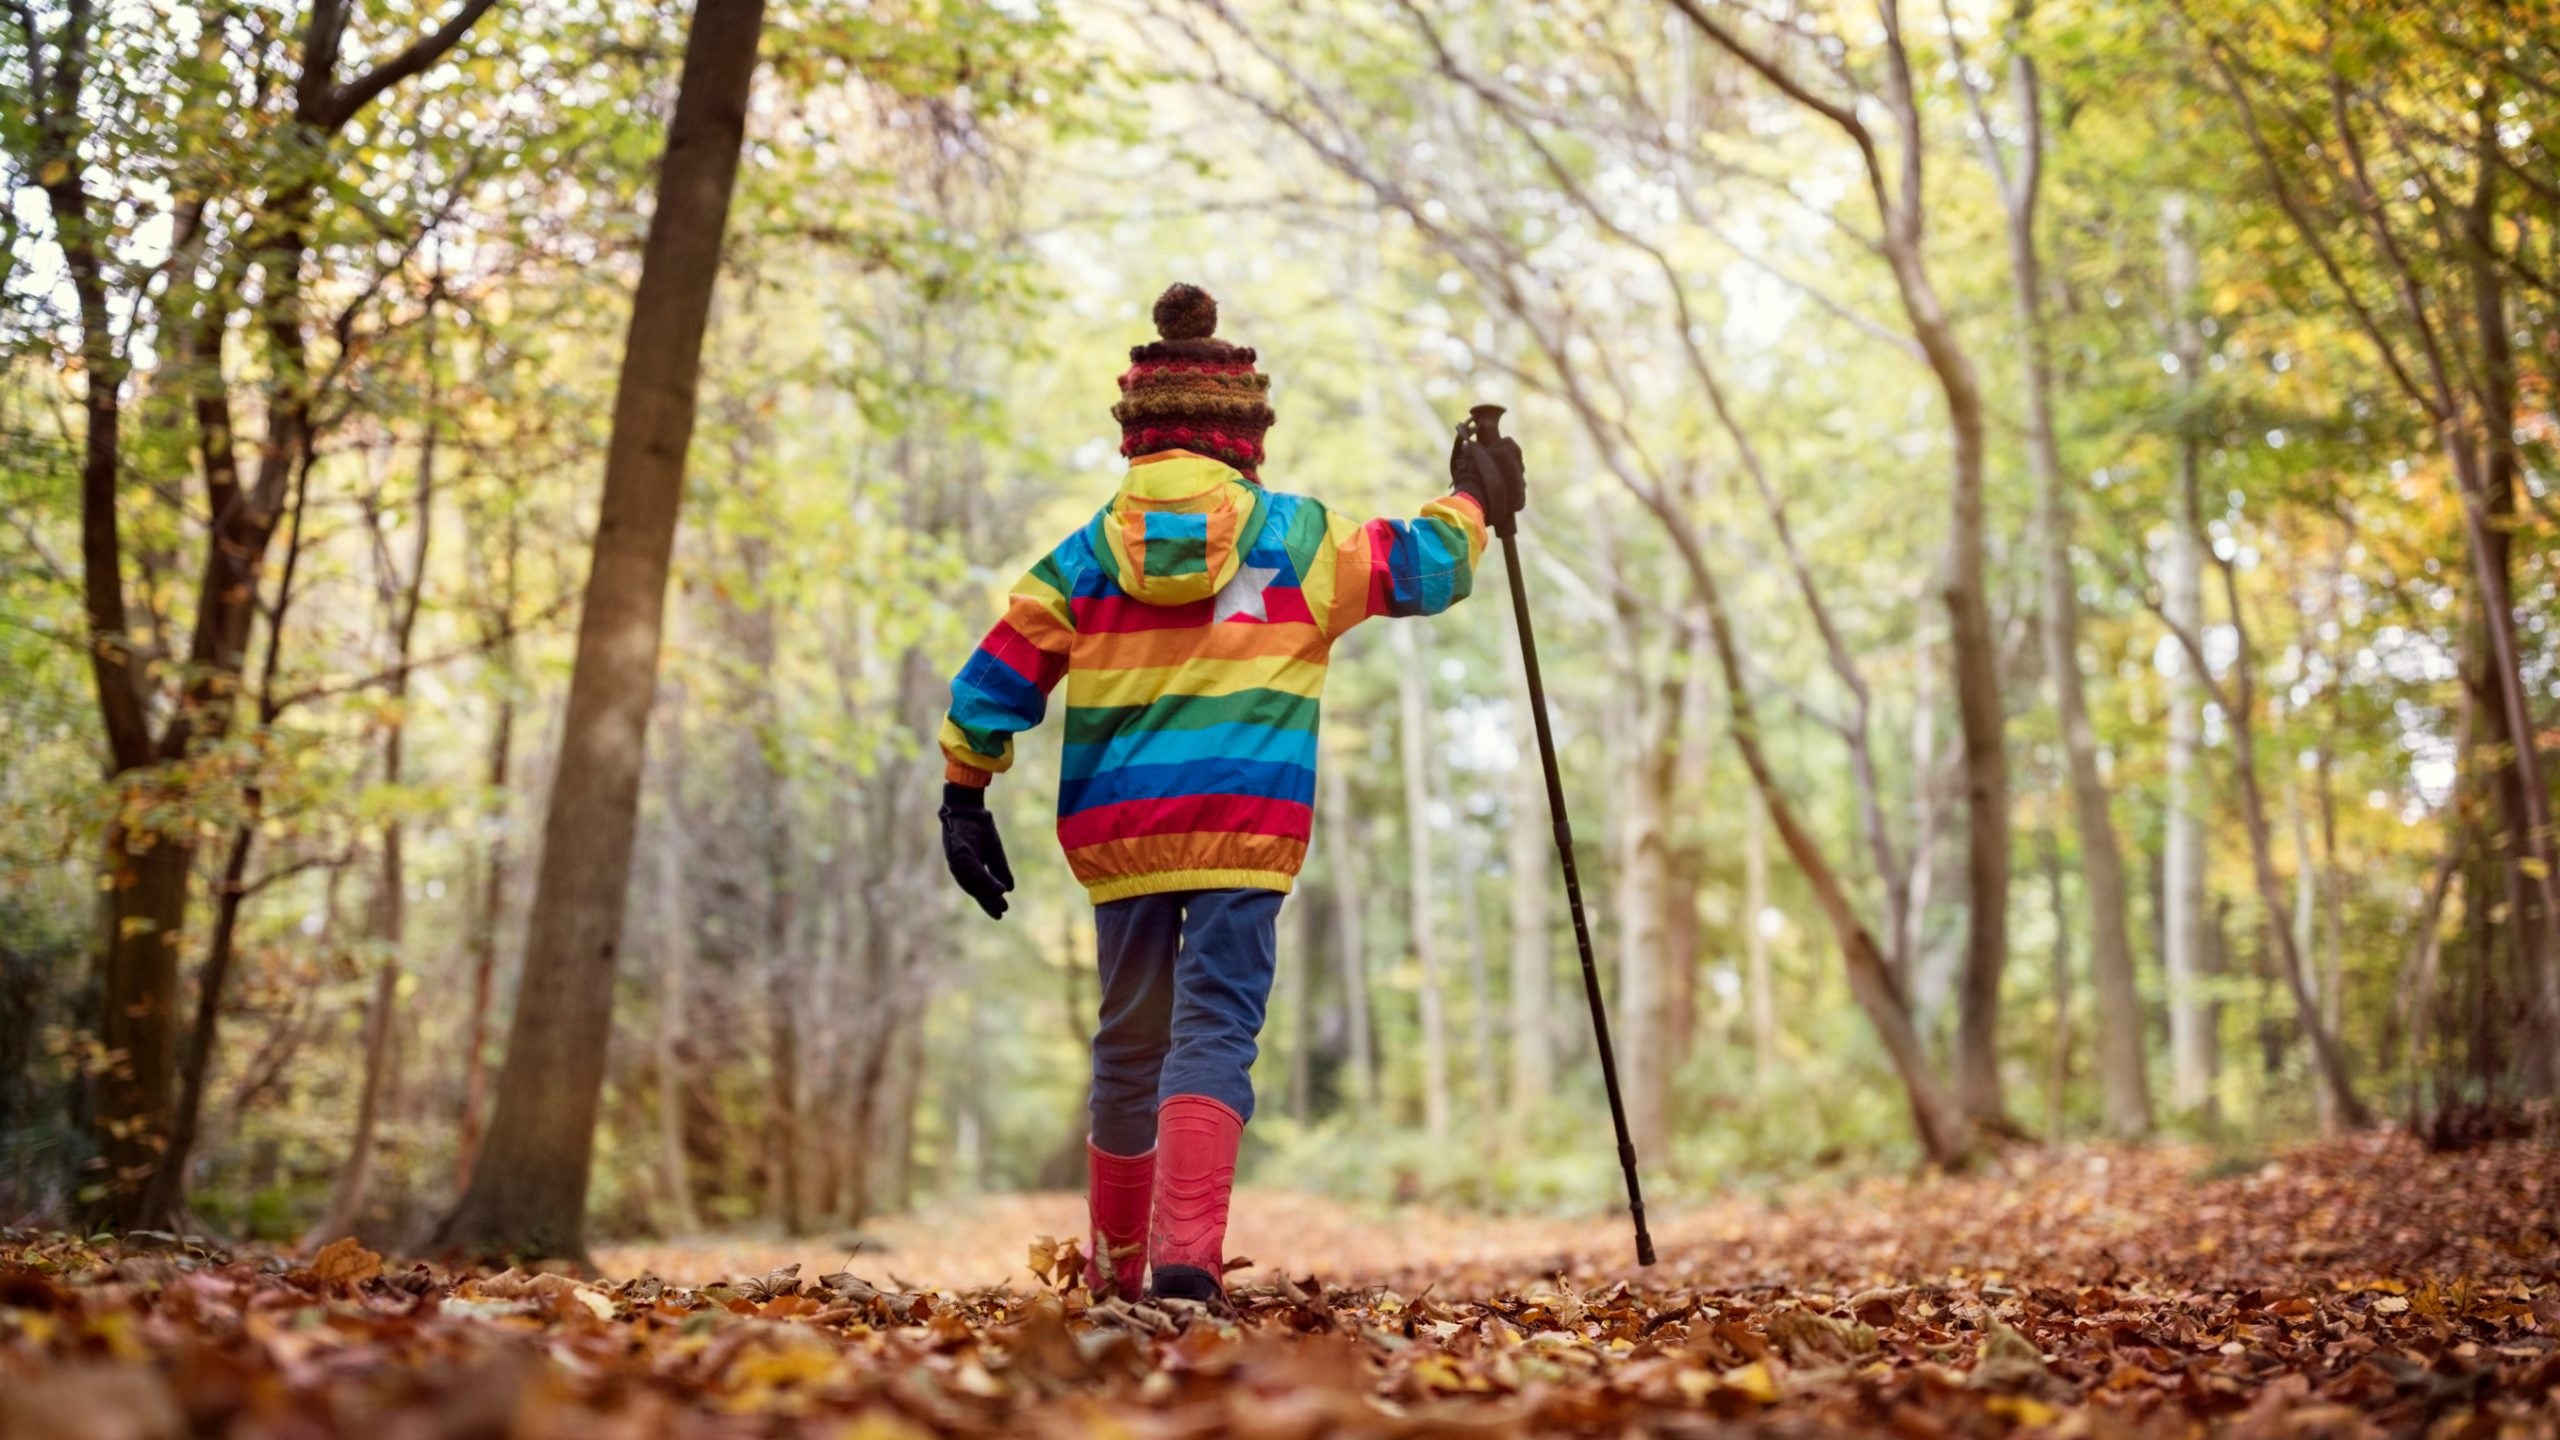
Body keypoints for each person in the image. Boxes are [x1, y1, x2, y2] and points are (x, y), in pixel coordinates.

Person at [936, 282, 1526, 1307]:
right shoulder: (1297, 542)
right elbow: (1425, 568)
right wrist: (1475, 500)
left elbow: (997, 674)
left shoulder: (1081, 558)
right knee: (1213, 1026)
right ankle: (1186, 1267)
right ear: (1244, 433)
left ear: (1139, 436)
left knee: (1127, 1040)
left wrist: (964, 791)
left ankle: (1118, 1275)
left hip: (1120, 836)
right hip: (1244, 830)